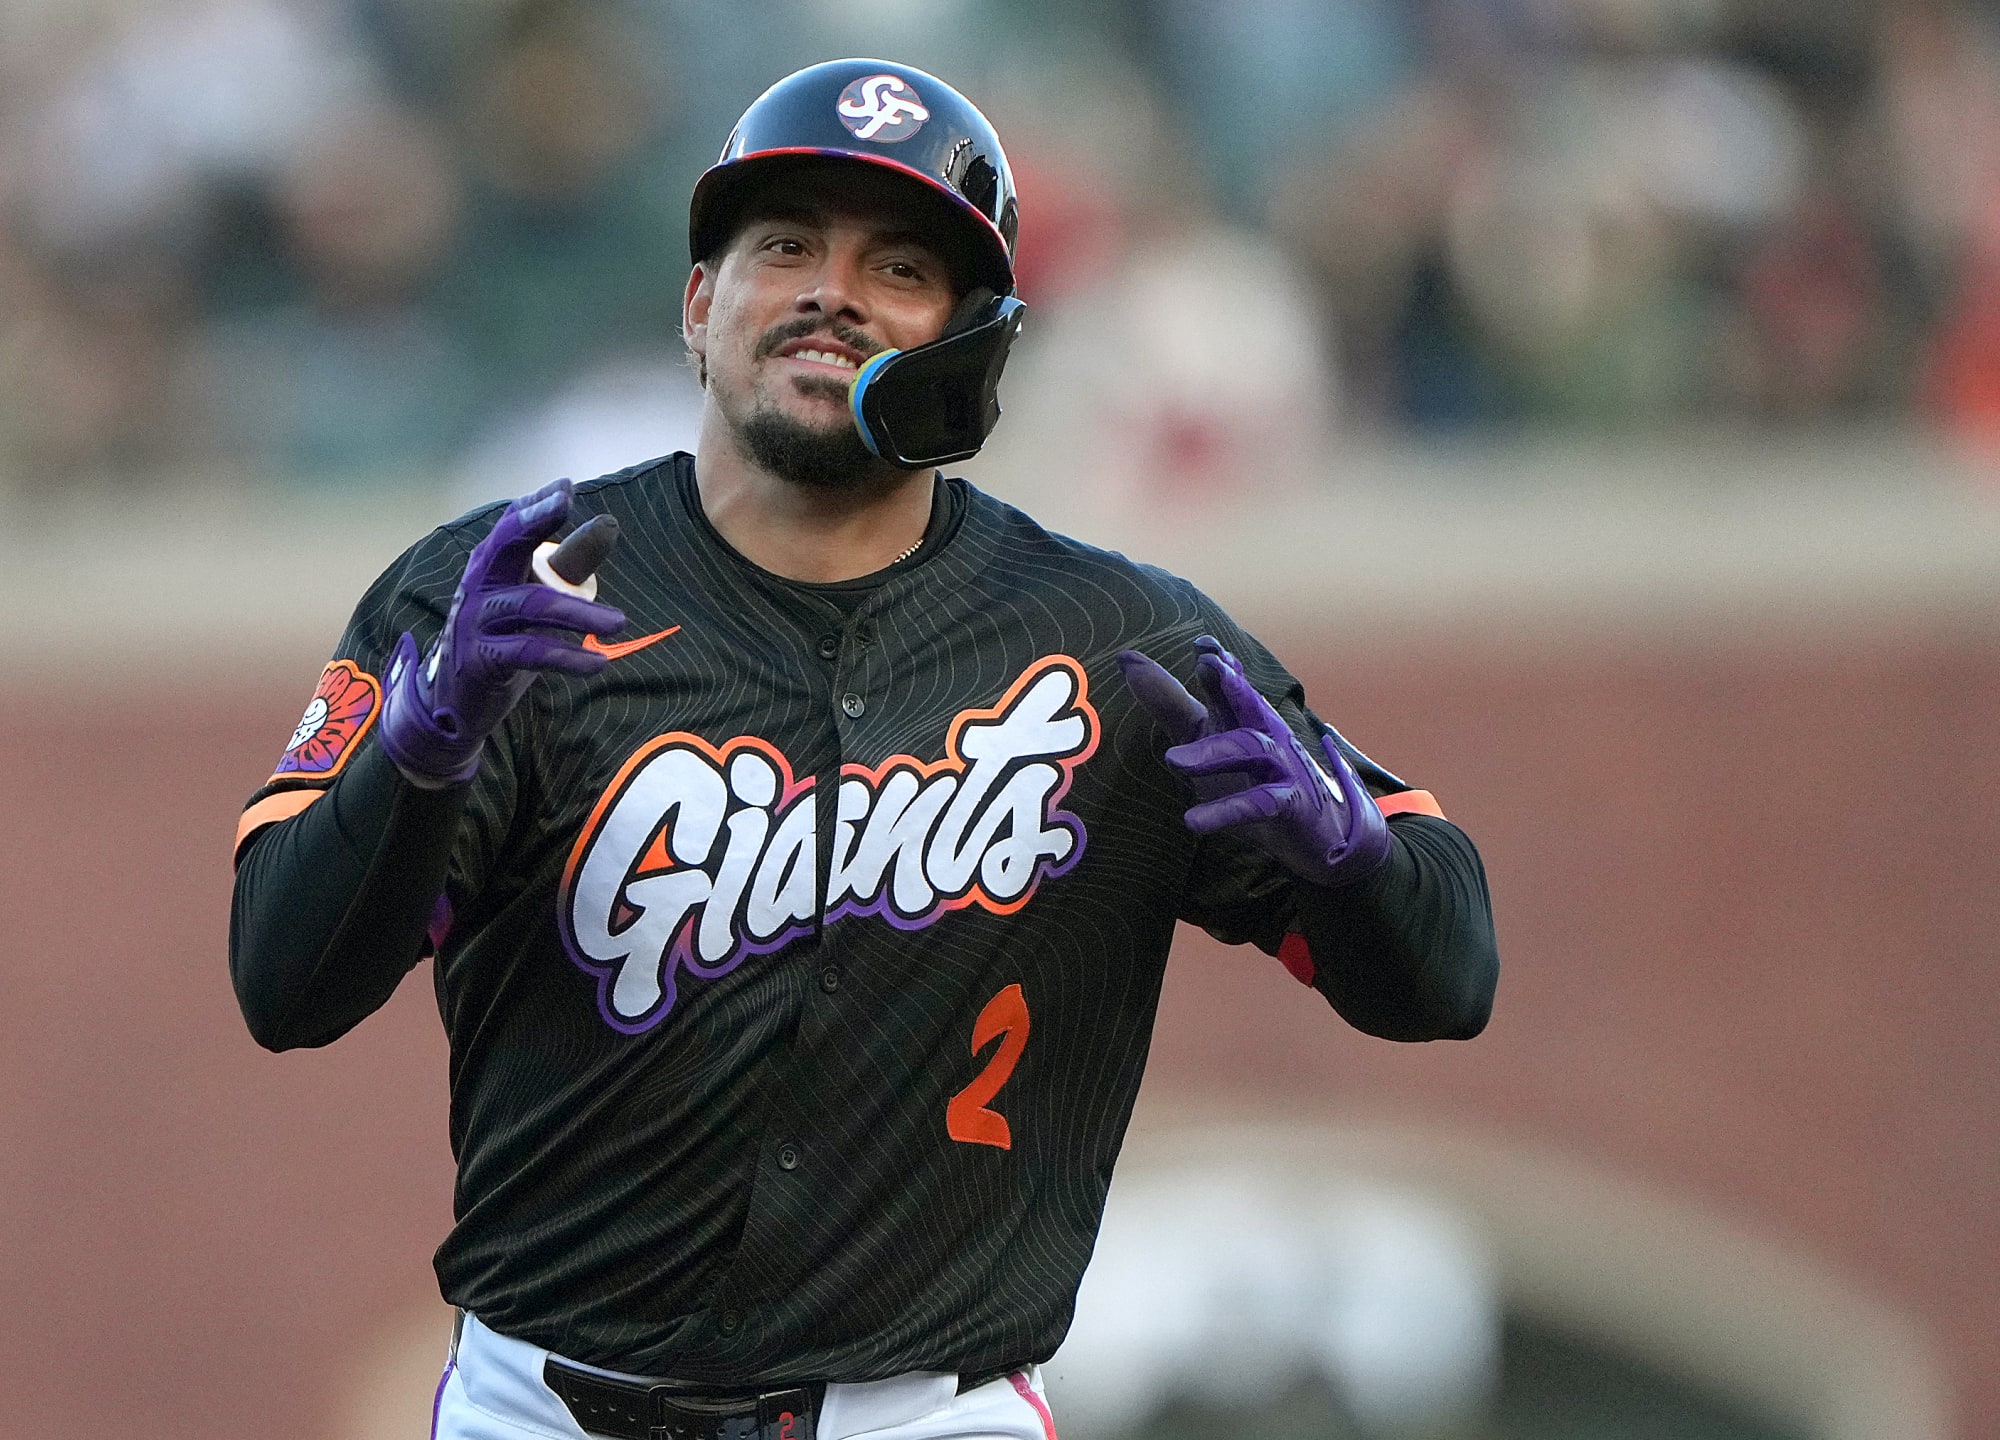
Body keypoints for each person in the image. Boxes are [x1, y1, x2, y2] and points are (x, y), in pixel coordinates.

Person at [229, 58, 1496, 1440]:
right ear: (700, 303)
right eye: (784, 246)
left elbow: (1445, 980)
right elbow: (286, 985)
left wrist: (1357, 871)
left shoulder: (1117, 642)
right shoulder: (513, 595)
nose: (830, 292)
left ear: (971, 344)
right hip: (551, 1407)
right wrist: (415, 763)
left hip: (932, 1413)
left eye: (897, 266)